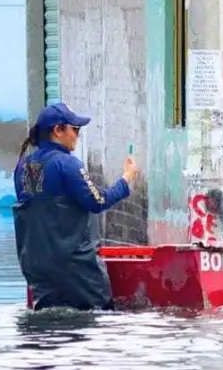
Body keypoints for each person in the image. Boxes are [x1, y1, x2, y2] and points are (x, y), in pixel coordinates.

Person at [12, 102, 139, 311]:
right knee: (100, 315)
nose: (77, 136)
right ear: (58, 131)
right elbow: (97, 201)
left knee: (48, 327)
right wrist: (126, 180)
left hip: (36, 266)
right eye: (75, 129)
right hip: (75, 265)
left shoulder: (24, 167)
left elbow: (38, 210)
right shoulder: (67, 164)